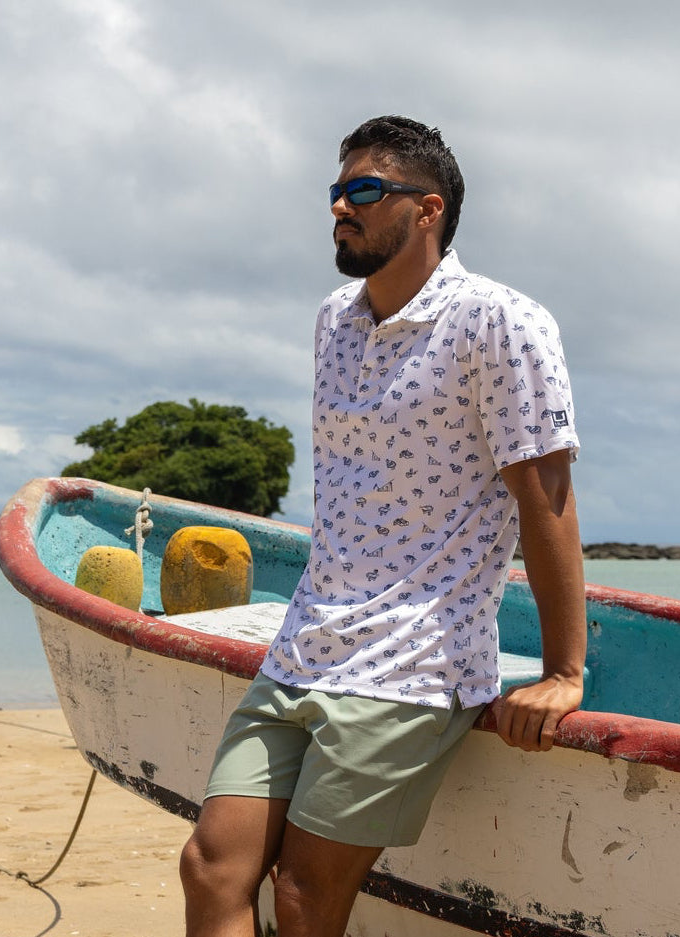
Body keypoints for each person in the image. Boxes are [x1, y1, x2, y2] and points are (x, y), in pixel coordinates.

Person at [178, 116, 586, 937]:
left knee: (301, 896)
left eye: (364, 190)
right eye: (336, 192)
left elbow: (546, 498)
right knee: (210, 866)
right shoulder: (335, 319)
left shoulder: (500, 322)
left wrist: (563, 670)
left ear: (427, 210)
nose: (340, 207)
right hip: (304, 646)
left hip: (409, 664)